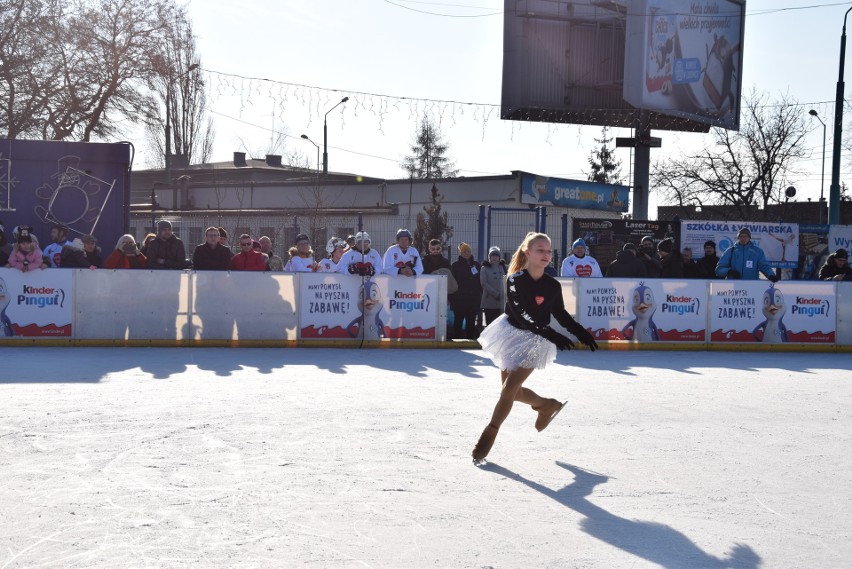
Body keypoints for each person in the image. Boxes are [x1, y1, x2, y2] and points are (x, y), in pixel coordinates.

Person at [472, 232, 599, 465]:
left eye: (549, 251)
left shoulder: (552, 285)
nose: (546, 255)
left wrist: (581, 332)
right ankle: (546, 405)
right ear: (527, 252)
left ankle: (488, 437)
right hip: (510, 334)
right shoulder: (514, 280)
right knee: (512, 392)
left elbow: (560, 314)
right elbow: (522, 314)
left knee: (508, 390)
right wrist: (550, 333)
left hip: (535, 341)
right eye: (540, 250)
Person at [450, 242, 482, 340]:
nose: (467, 253)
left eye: (468, 251)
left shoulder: (476, 265)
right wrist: (452, 298)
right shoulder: (455, 266)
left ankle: (470, 339)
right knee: (458, 321)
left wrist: (479, 295)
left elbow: (480, 281)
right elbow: (452, 283)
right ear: (461, 253)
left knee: (471, 321)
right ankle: (456, 339)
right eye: (464, 252)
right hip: (459, 299)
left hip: (473, 300)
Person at [480, 246, 507, 326]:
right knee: (490, 325)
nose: (494, 258)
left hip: (502, 303)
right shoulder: (484, 268)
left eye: (496, 256)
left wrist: (504, 295)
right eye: (492, 256)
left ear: (499, 257)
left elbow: (507, 281)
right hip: (489, 302)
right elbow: (484, 283)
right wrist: (496, 294)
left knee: (500, 326)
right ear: (489, 257)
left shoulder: (503, 267)